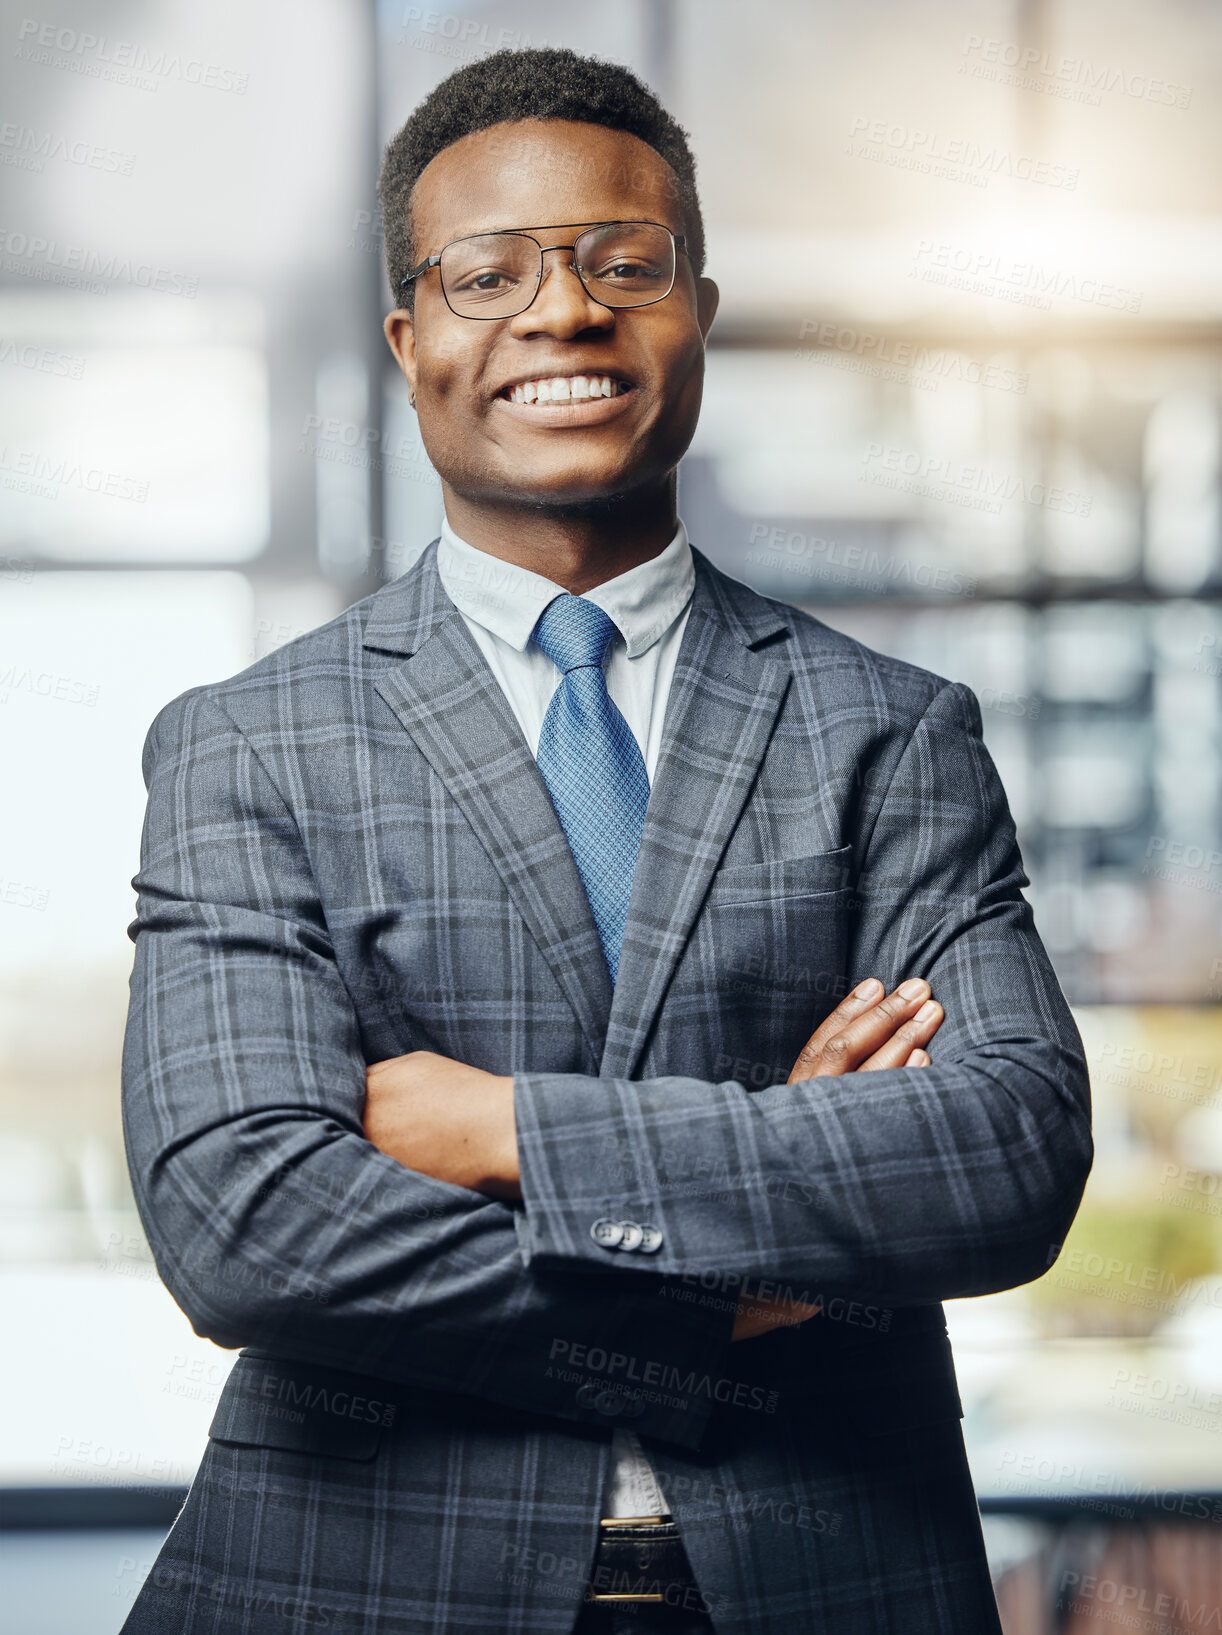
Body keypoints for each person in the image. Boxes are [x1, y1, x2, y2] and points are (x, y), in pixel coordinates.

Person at [119, 46, 1092, 1635]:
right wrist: (723, 1301)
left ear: (693, 308)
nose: (562, 314)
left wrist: (505, 1128)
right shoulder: (247, 743)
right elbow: (245, 1223)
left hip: (831, 1574)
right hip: (349, 1580)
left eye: (621, 265)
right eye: (486, 273)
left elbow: (999, 1162)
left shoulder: (887, 729)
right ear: (406, 339)